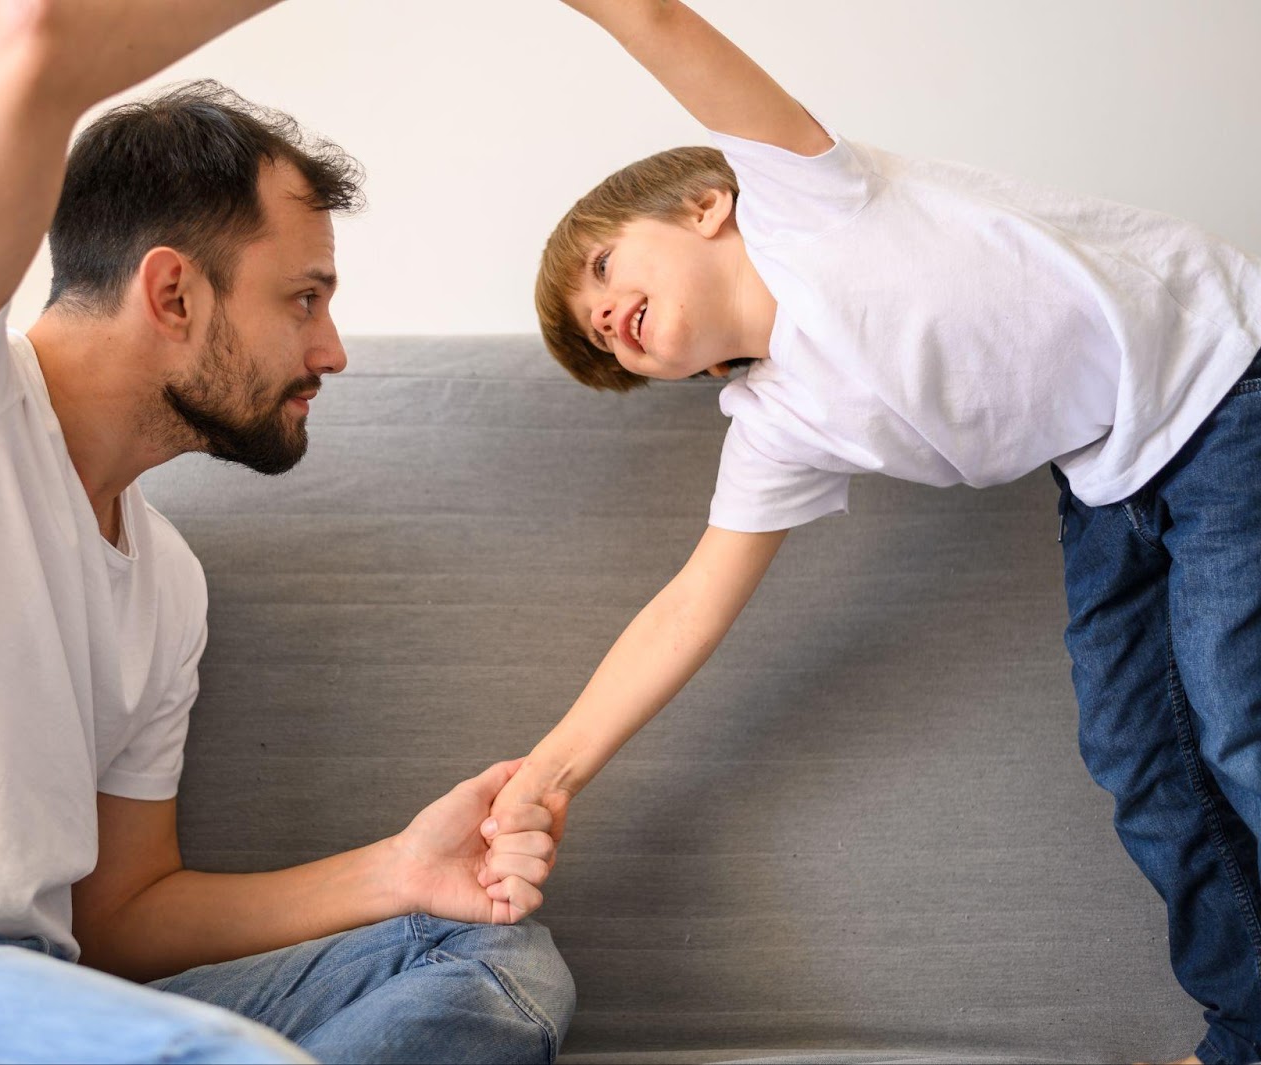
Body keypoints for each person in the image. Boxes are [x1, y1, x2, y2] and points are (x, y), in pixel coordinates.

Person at [0, 3, 574, 1063]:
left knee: (493, 969)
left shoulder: (168, 587)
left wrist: (398, 873)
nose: (330, 350)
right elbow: (25, 43)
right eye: (304, 297)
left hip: (34, 998)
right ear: (172, 292)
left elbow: (120, 916)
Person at [482, 2, 1261, 1062]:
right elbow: (688, 605)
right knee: (1135, 750)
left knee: (1235, 710)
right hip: (1106, 474)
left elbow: (658, 21)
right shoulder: (774, 421)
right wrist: (555, 768)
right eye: (600, 346)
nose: (606, 320)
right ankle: (1250, 1025)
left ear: (709, 205)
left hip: (1221, 385)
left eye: (606, 270)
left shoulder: (808, 200)